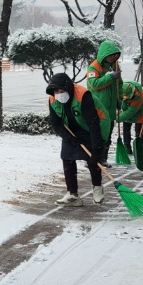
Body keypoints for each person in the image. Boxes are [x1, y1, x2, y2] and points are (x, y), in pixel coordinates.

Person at [46, 72, 108, 205]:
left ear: (68, 88)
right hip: (71, 130)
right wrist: (69, 138)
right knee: (67, 158)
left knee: (92, 159)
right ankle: (72, 194)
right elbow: (56, 124)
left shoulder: (83, 96)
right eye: (56, 91)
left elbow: (93, 123)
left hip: (90, 127)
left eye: (61, 90)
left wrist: (97, 148)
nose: (59, 93)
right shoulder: (53, 99)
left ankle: (97, 188)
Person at [85, 40, 122, 151]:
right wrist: (110, 76)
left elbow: (119, 84)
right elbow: (95, 84)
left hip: (110, 108)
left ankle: (103, 158)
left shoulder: (114, 65)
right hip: (99, 107)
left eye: (116, 55)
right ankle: (95, 159)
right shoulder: (93, 67)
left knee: (108, 135)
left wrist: (120, 98)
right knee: (98, 135)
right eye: (112, 55)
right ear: (104, 55)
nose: (114, 58)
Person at [118, 78, 143, 169]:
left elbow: (130, 113)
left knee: (138, 129)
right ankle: (127, 146)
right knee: (126, 127)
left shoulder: (138, 96)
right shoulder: (123, 88)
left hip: (140, 111)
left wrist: (117, 119)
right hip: (128, 108)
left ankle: (139, 146)